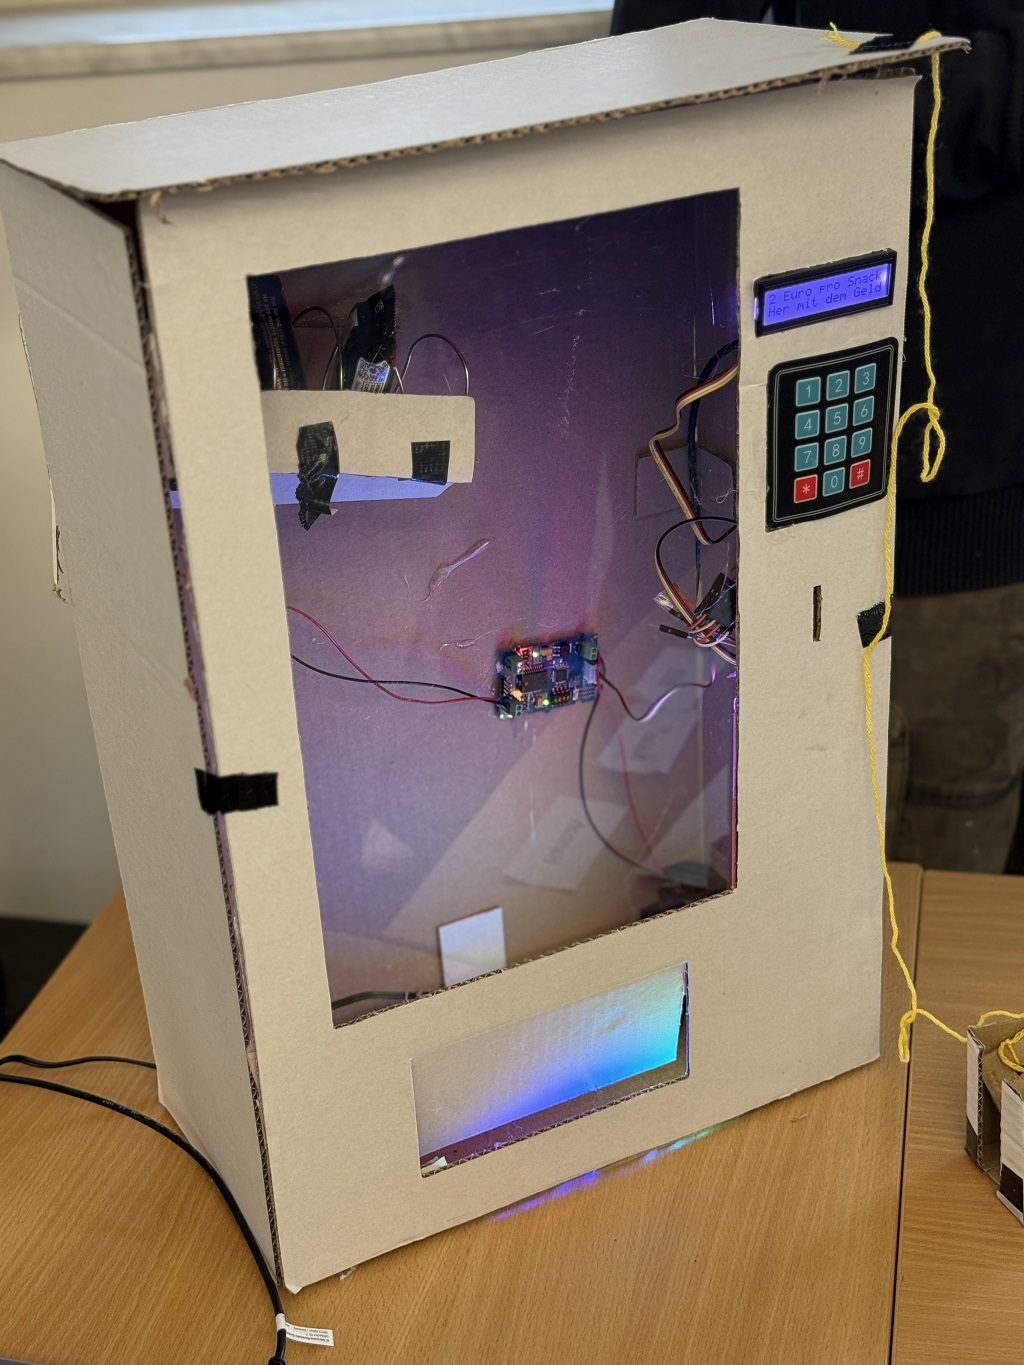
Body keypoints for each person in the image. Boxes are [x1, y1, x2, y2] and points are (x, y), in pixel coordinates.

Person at [612, 0, 1024, 872]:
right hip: (740, 514)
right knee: (771, 854)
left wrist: (852, 104)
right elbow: (646, 72)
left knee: (934, 866)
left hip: (961, 520)